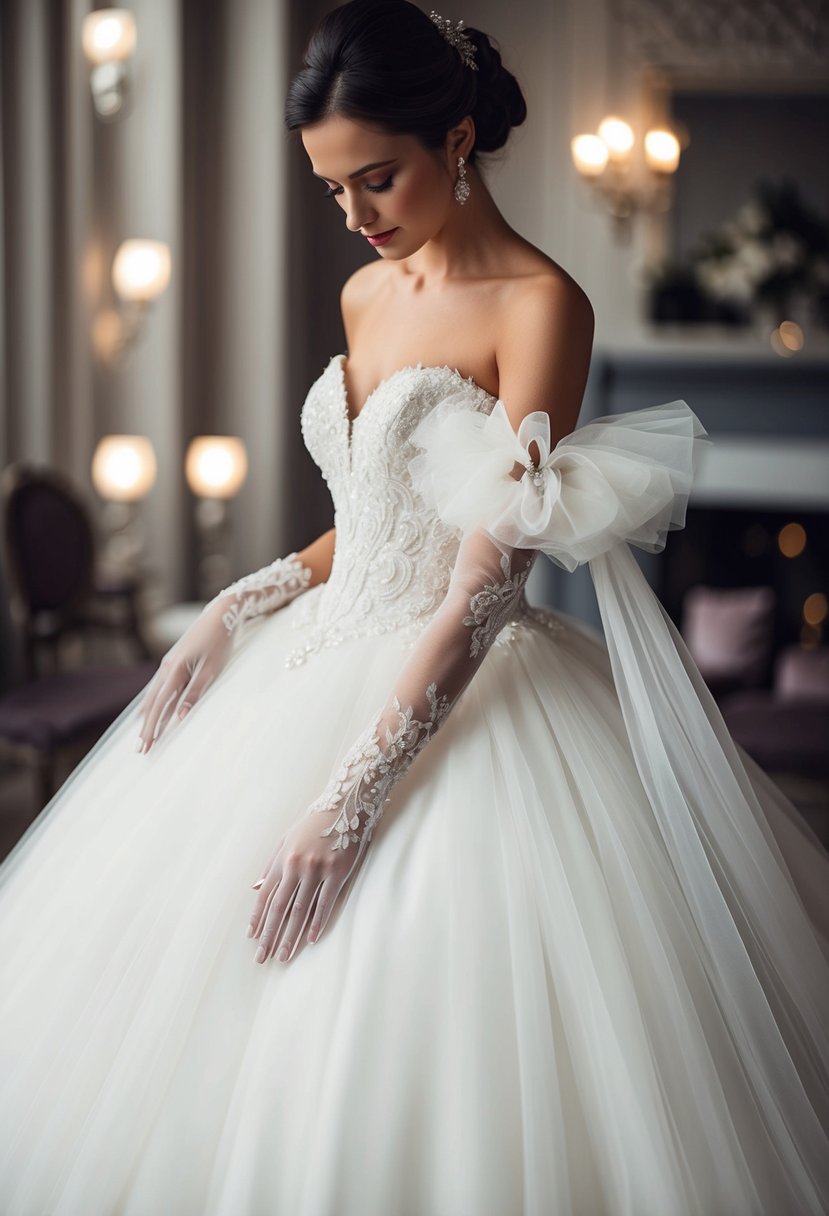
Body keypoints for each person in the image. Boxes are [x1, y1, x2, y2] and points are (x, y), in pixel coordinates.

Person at [1, 1, 828, 1212]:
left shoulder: (541, 306)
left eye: (373, 179)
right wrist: (249, 593)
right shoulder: (363, 296)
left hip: (462, 680)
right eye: (333, 190)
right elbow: (376, 514)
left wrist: (352, 794)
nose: (355, 217)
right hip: (316, 649)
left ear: (454, 139)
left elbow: (486, 579)